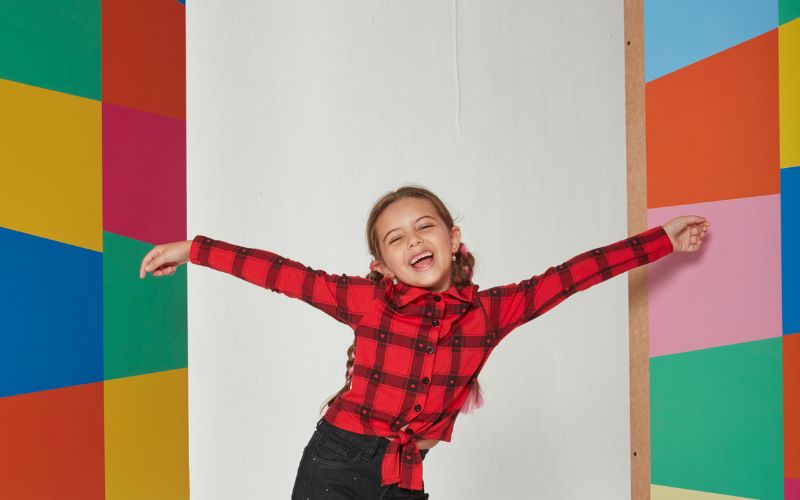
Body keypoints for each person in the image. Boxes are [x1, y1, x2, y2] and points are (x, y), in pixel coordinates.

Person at [138, 185, 710, 499]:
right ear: (380, 264)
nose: (413, 241)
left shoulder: (490, 313)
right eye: (396, 238)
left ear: (453, 238)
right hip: (335, 465)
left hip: (405, 475)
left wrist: (660, 240)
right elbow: (281, 273)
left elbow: (573, 275)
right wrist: (194, 249)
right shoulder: (367, 301)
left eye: (425, 227)